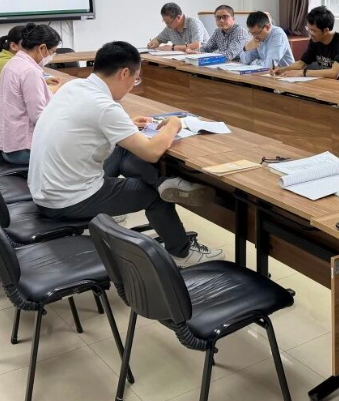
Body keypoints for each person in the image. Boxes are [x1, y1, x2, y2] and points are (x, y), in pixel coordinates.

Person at [28, 41, 222, 267]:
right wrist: (173, 124)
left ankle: (164, 183)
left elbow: (86, 122)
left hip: (44, 190)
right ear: (124, 73)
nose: (133, 85)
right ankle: (181, 251)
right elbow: (151, 152)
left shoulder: (74, 87)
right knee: (154, 196)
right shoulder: (105, 107)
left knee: (122, 147)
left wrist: (126, 124)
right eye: (136, 79)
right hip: (66, 201)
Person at [0, 24, 63, 165]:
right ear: (42, 48)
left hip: (11, 147)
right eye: (52, 52)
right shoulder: (29, 71)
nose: (51, 57)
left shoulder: (13, 63)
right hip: (24, 150)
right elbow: (39, 117)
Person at [272, 6, 339, 82]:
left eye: (313, 31)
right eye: (308, 29)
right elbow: (301, 63)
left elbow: (334, 73)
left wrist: (303, 73)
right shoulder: (315, 40)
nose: (310, 34)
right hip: (326, 84)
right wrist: (282, 69)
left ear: (326, 30)